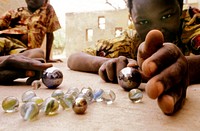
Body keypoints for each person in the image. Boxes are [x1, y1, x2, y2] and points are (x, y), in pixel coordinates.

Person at [67, 0, 200, 115]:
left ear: (180, 6)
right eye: (143, 22)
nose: (156, 29)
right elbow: (74, 58)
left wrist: (187, 65)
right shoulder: (129, 40)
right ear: (132, 18)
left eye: (167, 16)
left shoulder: (193, 22)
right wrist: (109, 63)